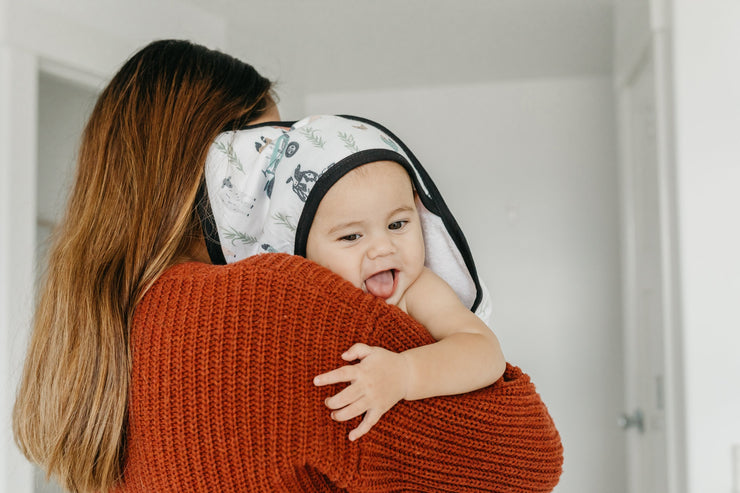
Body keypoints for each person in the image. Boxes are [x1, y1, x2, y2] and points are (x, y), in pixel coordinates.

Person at [13, 39, 563, 492]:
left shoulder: (90, 348)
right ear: (219, 167)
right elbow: (532, 457)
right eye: (270, 153)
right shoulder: (279, 303)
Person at [201, 113, 506, 441]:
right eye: (351, 236)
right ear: (299, 252)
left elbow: (485, 352)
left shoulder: (418, 290)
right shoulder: (293, 306)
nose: (383, 248)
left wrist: (405, 373)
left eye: (397, 224)